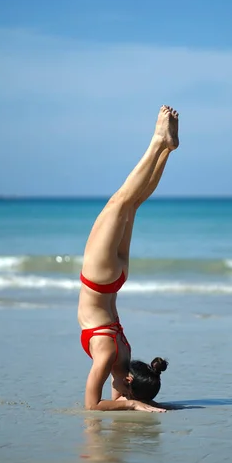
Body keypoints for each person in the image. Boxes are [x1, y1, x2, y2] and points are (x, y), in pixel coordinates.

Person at [78, 105, 179, 412]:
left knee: (131, 204)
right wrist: (134, 406)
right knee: (121, 200)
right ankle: (158, 141)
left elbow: (108, 398)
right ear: (129, 382)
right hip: (100, 278)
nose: (118, 393)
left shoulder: (123, 355)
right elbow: (93, 405)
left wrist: (135, 401)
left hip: (117, 278)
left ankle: (166, 151)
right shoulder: (110, 358)